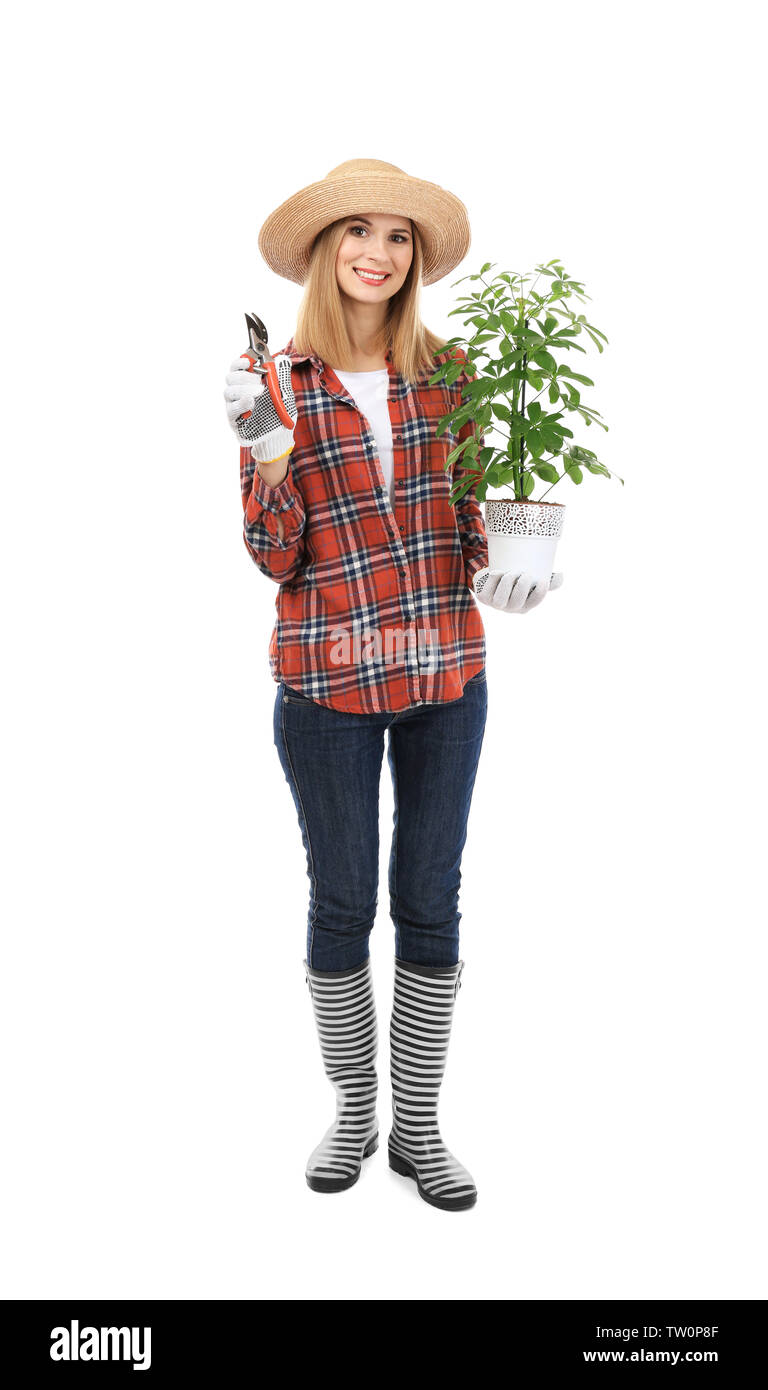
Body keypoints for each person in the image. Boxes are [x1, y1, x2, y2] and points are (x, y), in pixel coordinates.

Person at [223, 159, 562, 1212]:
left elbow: (474, 524)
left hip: (446, 676)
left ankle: (417, 1123)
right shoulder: (274, 381)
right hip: (324, 679)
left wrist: (527, 553)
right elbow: (275, 556)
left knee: (430, 896)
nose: (379, 252)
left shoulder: (449, 371)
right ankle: (354, 1108)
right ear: (326, 254)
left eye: (399, 237)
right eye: (357, 233)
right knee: (340, 899)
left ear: (415, 260)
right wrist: (263, 448)